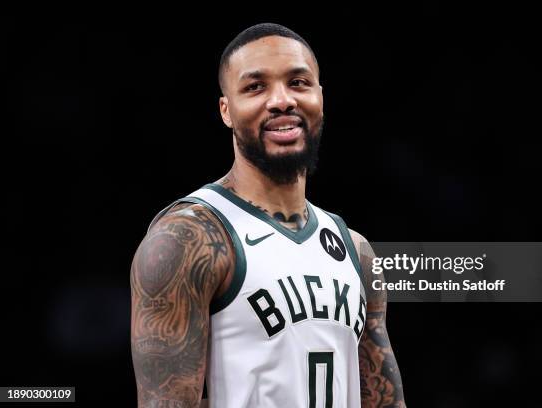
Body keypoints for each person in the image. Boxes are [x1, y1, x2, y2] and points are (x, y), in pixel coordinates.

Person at [130, 23, 405, 408]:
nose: (281, 100)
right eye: (255, 87)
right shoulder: (188, 239)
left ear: (320, 97)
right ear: (226, 110)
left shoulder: (356, 251)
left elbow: (385, 400)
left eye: (298, 82)